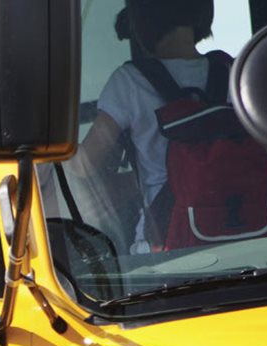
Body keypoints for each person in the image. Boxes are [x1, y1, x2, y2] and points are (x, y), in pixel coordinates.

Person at [69, 0, 215, 252]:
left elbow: (83, 166)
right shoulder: (235, 72)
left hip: (168, 242)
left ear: (141, 21)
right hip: (244, 231)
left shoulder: (129, 82)